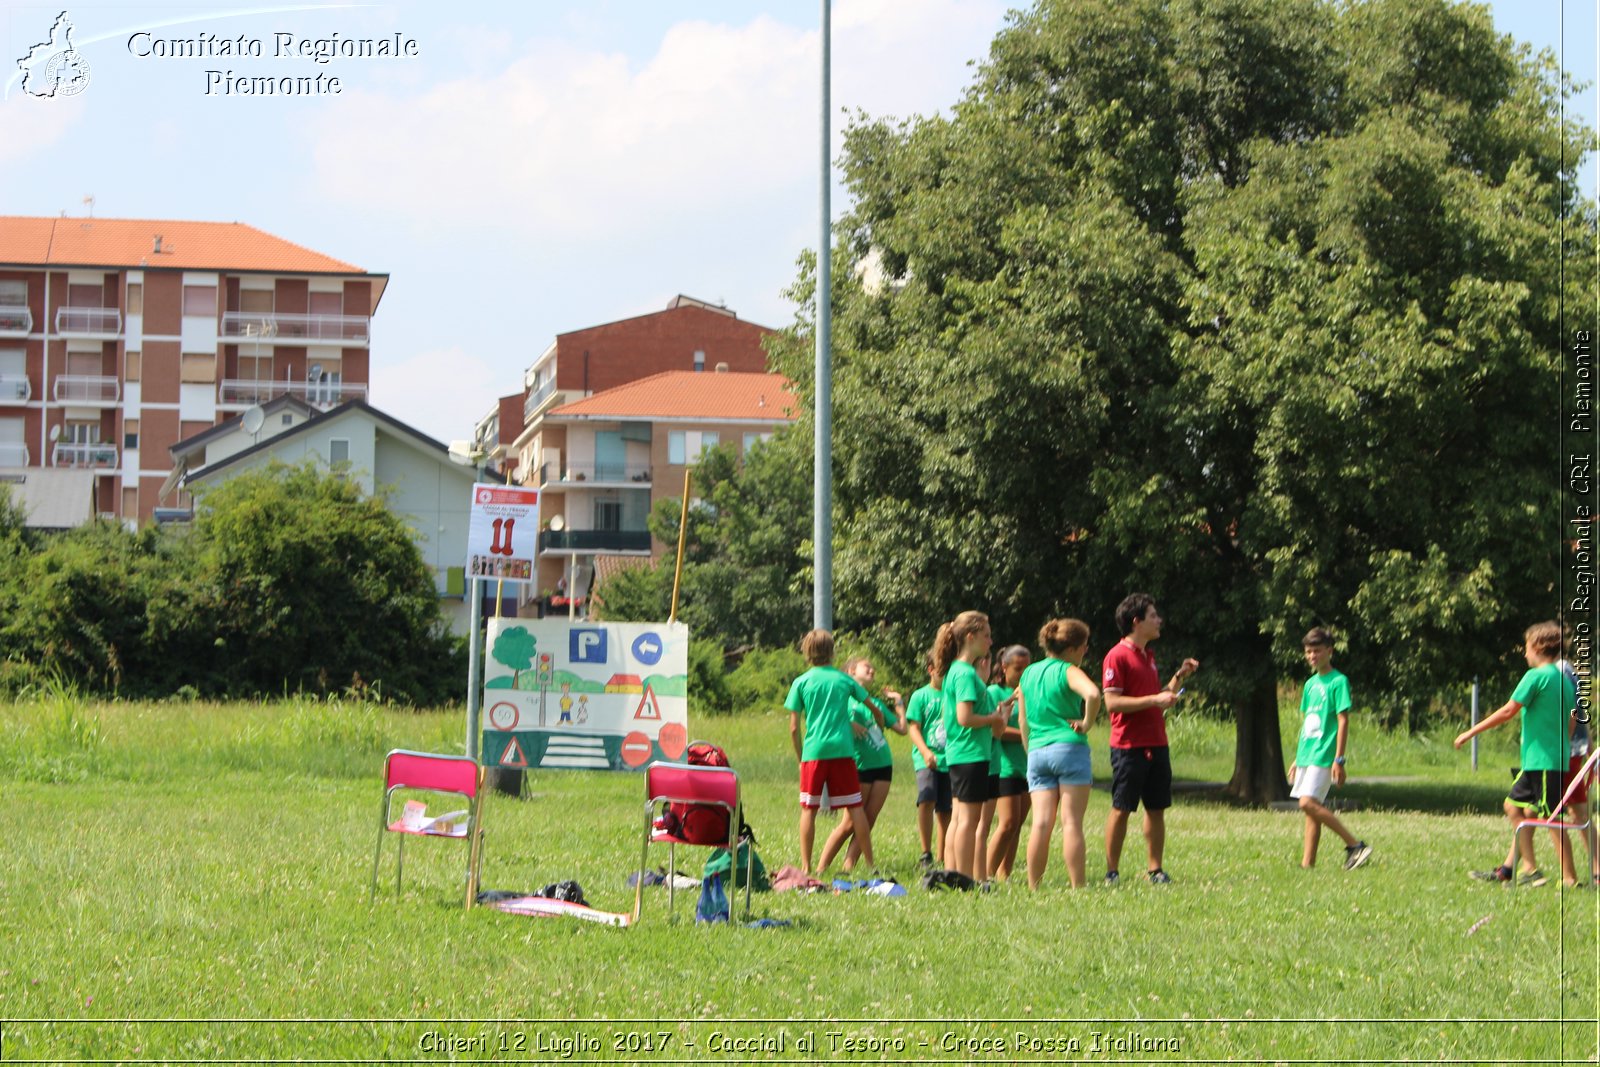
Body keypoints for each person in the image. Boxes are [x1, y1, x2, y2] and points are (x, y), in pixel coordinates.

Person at [1455, 621, 1577, 887]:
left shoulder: (1536, 677)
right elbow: (1572, 718)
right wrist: (1563, 745)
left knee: (1551, 818)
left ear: (1537, 647)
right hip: (1543, 760)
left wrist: (1470, 732)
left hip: (1544, 761)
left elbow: (1508, 711)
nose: (1524, 653)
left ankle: (1569, 877)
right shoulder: (1564, 681)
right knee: (1512, 806)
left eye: (1526, 647)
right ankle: (1529, 867)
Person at [1102, 593, 1198, 885]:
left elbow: (1156, 698)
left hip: (1157, 742)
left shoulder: (1148, 656)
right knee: (1122, 808)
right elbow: (1113, 704)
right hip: (1129, 746)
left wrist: (1178, 679)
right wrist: (1155, 698)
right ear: (1136, 622)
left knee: (1156, 808)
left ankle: (1155, 870)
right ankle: (1112, 871)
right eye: (1153, 616)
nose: (1159, 621)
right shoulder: (1116, 656)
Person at [785, 629, 878, 876]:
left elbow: (794, 728)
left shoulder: (801, 682)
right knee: (855, 808)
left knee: (809, 809)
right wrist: (879, 720)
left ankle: (806, 866)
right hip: (843, 751)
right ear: (832, 652)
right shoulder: (844, 680)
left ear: (806, 652)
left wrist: (800, 756)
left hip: (814, 752)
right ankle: (870, 865)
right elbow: (871, 704)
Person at [1018, 618, 1101, 888]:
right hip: (1068, 748)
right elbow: (1092, 694)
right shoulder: (1068, 670)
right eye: (1084, 646)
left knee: (1041, 823)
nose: (1086, 652)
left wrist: (1030, 749)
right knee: (1071, 822)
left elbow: (1023, 720)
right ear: (1073, 648)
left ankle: (1033, 886)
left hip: (1038, 751)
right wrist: (1086, 723)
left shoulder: (1028, 673)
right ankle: (1078, 886)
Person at [1287, 628, 1372, 870]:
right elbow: (1307, 723)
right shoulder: (1310, 684)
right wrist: (1298, 756)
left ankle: (1355, 845)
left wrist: (1339, 759)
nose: (1312, 656)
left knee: (1307, 803)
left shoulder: (1338, 681)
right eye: (1308, 652)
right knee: (1311, 810)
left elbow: (1343, 720)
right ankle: (1307, 864)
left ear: (1329, 651)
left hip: (1325, 753)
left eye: (1317, 651)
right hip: (1308, 753)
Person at [934, 611, 1008, 882]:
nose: (990, 641)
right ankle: (964, 879)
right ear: (970, 637)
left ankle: (954, 875)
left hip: (960, 754)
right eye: (986, 635)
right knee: (968, 821)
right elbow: (965, 717)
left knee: (959, 819)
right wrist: (994, 718)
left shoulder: (956, 669)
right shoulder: (965, 673)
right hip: (971, 754)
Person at [817, 656, 905, 873]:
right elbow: (826, 721)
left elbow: (902, 729)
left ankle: (848, 867)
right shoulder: (842, 700)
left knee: (869, 819)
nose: (872, 669)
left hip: (883, 765)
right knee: (849, 823)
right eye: (867, 666)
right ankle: (819, 868)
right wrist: (848, 724)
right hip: (859, 767)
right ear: (850, 672)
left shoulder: (875, 703)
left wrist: (899, 702)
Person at [986, 645, 1031, 882]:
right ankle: (985, 874)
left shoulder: (1029, 693)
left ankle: (1005, 874)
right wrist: (1027, 735)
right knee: (1007, 824)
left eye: (1027, 668)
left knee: (1017, 825)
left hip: (1027, 766)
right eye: (1018, 669)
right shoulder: (994, 691)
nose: (1023, 674)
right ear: (1004, 668)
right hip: (1004, 767)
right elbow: (998, 730)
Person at [905, 654, 950, 869]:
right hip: (927, 758)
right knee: (927, 799)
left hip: (951, 759)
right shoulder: (920, 696)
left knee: (946, 808)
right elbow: (913, 727)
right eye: (942, 668)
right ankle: (926, 852)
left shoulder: (954, 695)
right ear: (930, 669)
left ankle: (943, 854)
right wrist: (925, 752)